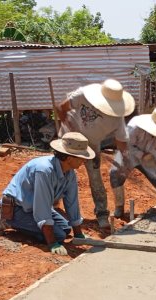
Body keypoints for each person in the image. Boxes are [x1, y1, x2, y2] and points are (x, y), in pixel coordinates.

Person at [0, 132, 94, 256]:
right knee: (59, 235)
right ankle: (6, 219)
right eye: (81, 157)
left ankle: (25, 225)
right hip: (17, 208)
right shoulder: (44, 170)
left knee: (66, 228)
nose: (84, 160)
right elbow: (42, 208)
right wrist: (52, 243)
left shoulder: (70, 173)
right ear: (69, 158)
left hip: (33, 207)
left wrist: (78, 234)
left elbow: (72, 203)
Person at [56, 79, 135, 232]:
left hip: (91, 146)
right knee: (61, 173)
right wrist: (70, 127)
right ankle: (53, 206)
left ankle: (102, 214)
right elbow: (61, 108)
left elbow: (121, 141)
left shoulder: (117, 118)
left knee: (95, 178)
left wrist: (126, 158)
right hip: (68, 140)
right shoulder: (82, 95)